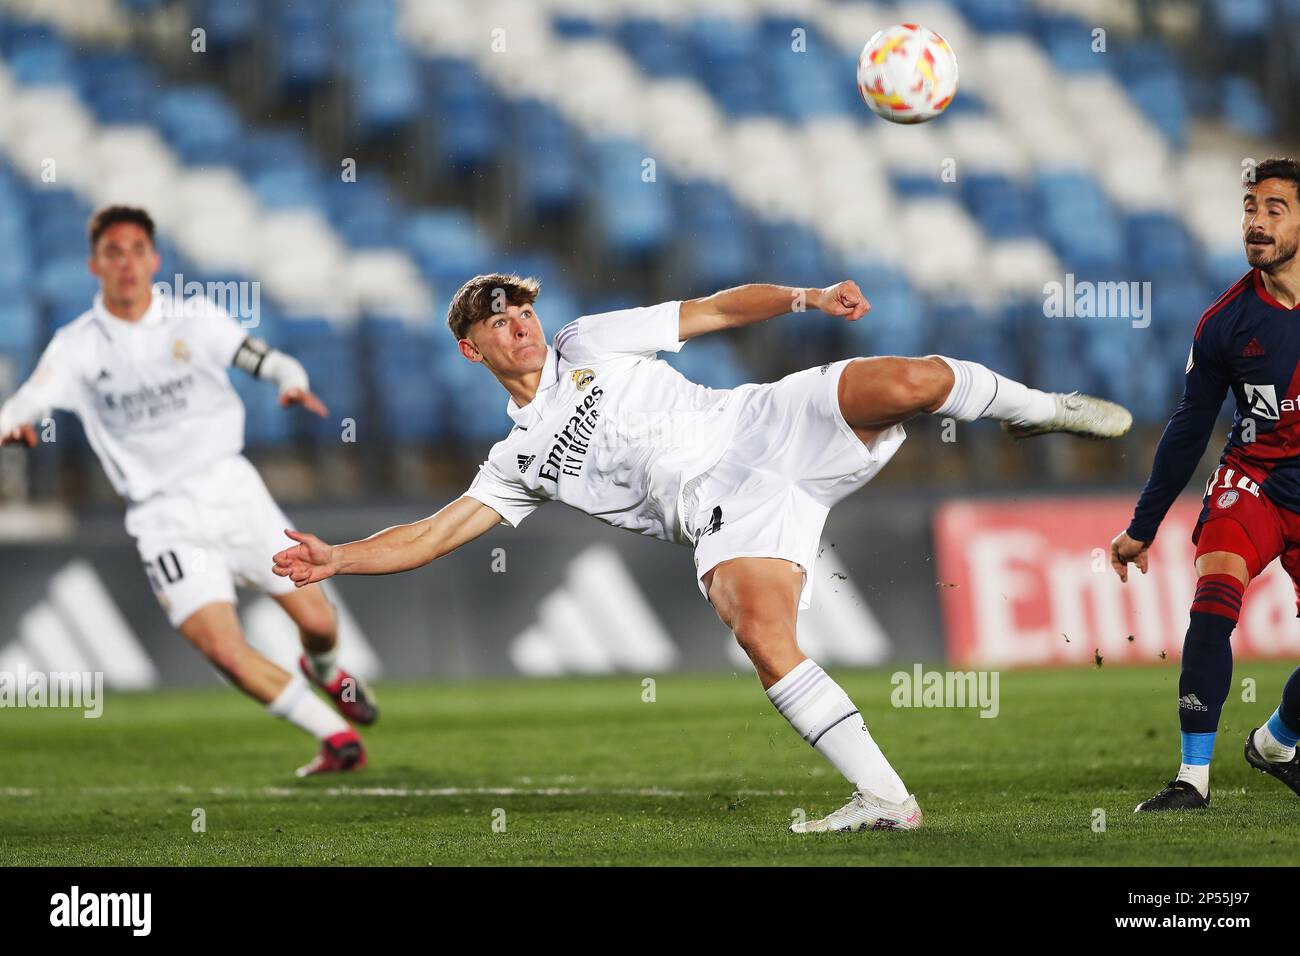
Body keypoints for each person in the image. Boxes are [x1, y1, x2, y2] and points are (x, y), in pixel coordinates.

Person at [275, 273, 1130, 830]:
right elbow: (431, 535)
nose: (522, 325)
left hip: (762, 421)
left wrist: (804, 299)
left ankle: (1040, 406)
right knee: (762, 637)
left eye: (525, 309)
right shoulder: (515, 461)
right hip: (723, 507)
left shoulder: (589, 340)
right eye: (500, 323)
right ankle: (884, 798)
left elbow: (716, 310)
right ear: (473, 349)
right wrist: (338, 559)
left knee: (910, 382)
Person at [0, 205, 378, 777]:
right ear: (94, 264)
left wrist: (292, 381)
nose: (125, 263)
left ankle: (325, 672)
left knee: (321, 624)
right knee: (224, 649)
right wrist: (14, 419)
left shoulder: (194, 319)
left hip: (234, 492)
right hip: (163, 518)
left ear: (153, 259)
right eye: (113, 252)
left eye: (135, 251)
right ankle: (337, 738)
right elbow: (31, 397)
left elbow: (265, 359)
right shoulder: (77, 346)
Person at [1112, 157, 1300, 811]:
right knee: (1214, 599)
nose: (1256, 222)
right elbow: (1190, 427)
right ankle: (1192, 779)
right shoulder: (1225, 321)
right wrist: (1142, 526)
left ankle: (1276, 741)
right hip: (1253, 480)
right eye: (1251, 208)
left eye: (1274, 209)